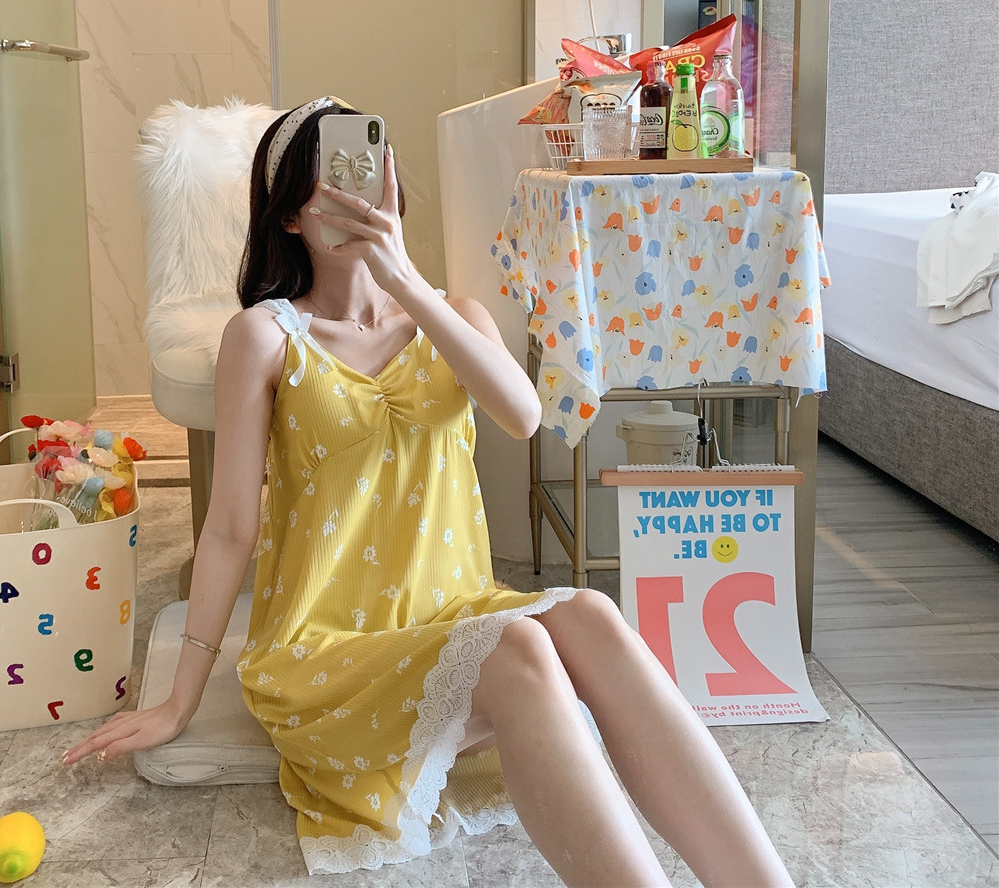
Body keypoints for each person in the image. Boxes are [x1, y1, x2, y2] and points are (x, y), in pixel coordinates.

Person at [64, 98, 793, 887]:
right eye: (328, 186)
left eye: (366, 176)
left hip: (450, 618)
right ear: (290, 219)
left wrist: (407, 284)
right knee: (521, 647)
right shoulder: (265, 336)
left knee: (588, 612)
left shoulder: (452, 317)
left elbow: (522, 415)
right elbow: (230, 529)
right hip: (327, 653)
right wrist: (180, 700)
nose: (355, 199)